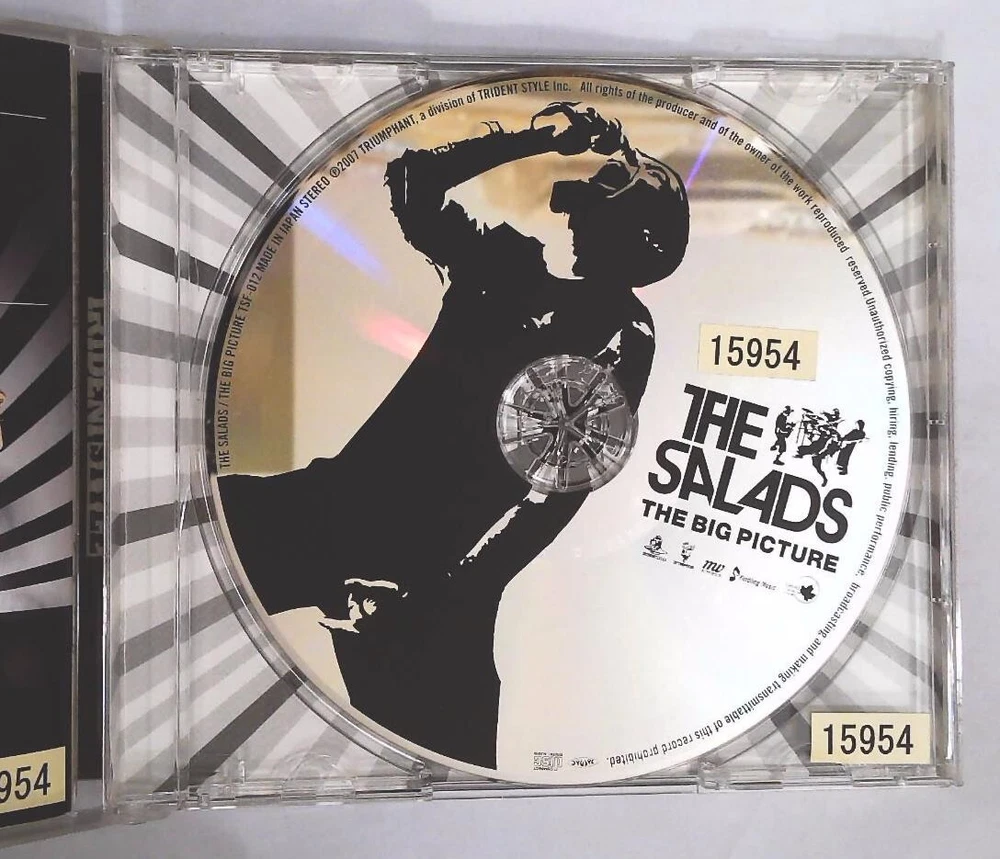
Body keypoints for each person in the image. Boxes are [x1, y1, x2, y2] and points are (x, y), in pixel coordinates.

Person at [217, 102, 690, 769]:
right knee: (176, 562)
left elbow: (552, 494)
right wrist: (535, 137)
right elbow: (412, 180)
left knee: (439, 782)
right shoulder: (506, 266)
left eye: (590, 208)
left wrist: (434, 587)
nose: (571, 217)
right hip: (347, 519)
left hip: (428, 585)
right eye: (578, 206)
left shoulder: (616, 330)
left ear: (630, 234)